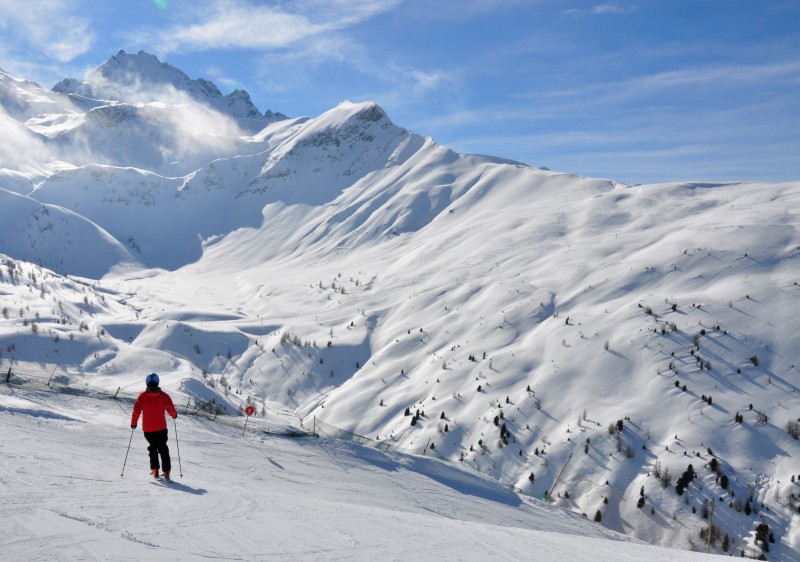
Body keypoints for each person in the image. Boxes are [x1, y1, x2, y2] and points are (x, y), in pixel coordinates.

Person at [131, 373, 177, 479]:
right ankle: (166, 472)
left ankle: (155, 470)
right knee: (163, 448)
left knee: (153, 448)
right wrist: (174, 415)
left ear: (147, 383)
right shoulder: (163, 395)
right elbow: (170, 407)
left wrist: (133, 423)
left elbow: (136, 411)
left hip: (148, 430)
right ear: (157, 382)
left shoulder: (142, 396)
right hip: (161, 428)